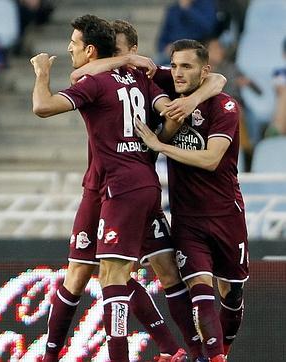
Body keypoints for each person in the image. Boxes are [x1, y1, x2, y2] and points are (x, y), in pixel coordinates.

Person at [52, 20, 231, 361]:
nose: (114, 60)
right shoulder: (112, 73)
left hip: (132, 184)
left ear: (133, 50)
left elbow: (218, 80)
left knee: (156, 270)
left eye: (119, 53)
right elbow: (78, 76)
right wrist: (121, 62)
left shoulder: (154, 76)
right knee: (89, 271)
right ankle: (173, 348)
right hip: (99, 185)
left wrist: (188, 105)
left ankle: (188, 350)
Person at [31, 14, 182, 362]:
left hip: (120, 185)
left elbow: (43, 105)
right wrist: (161, 138)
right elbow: (169, 109)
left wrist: (41, 74)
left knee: (113, 275)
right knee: (80, 271)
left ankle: (152, 351)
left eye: (73, 44)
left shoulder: (106, 80)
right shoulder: (136, 77)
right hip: (105, 184)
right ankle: (51, 355)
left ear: (91, 49)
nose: (68, 48)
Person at [135, 39, 248, 362]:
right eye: (175, 66)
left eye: (187, 67)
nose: (179, 73)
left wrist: (160, 145)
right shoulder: (168, 92)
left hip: (226, 213)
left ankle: (221, 351)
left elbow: (211, 159)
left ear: (204, 70)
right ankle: (211, 357)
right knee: (200, 290)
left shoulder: (224, 106)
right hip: (187, 218)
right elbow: (137, 64)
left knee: (232, 292)